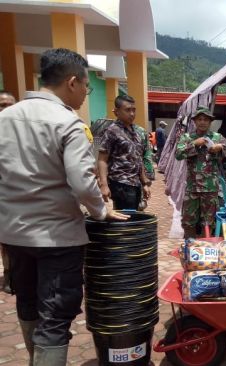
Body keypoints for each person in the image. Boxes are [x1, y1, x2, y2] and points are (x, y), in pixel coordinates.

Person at [0, 48, 128, 365]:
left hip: (14, 235)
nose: (86, 93)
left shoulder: (4, 118)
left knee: (28, 304)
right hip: (57, 238)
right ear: (72, 82)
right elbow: (83, 183)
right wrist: (101, 212)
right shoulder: (67, 123)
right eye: (86, 86)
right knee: (55, 319)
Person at [176, 107, 226, 238]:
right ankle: (190, 247)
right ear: (194, 121)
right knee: (188, 221)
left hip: (210, 188)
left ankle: (206, 247)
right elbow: (178, 154)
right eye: (199, 119)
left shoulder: (216, 137)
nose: (202, 122)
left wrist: (221, 147)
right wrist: (194, 144)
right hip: (192, 187)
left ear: (210, 122)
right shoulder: (187, 137)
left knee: (209, 221)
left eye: (206, 119)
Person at [97, 95, 152, 210]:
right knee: (126, 221)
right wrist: (104, 185)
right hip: (120, 184)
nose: (132, 113)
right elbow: (102, 159)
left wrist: (144, 183)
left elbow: (138, 158)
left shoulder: (136, 132)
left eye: (134, 110)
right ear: (117, 112)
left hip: (135, 184)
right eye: (127, 110)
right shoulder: (111, 131)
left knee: (134, 219)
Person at [0, 90, 16, 293]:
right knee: (5, 240)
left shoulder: (23, 132)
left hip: (19, 194)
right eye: (2, 105)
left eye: (10, 105)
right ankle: (10, 275)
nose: (6, 109)